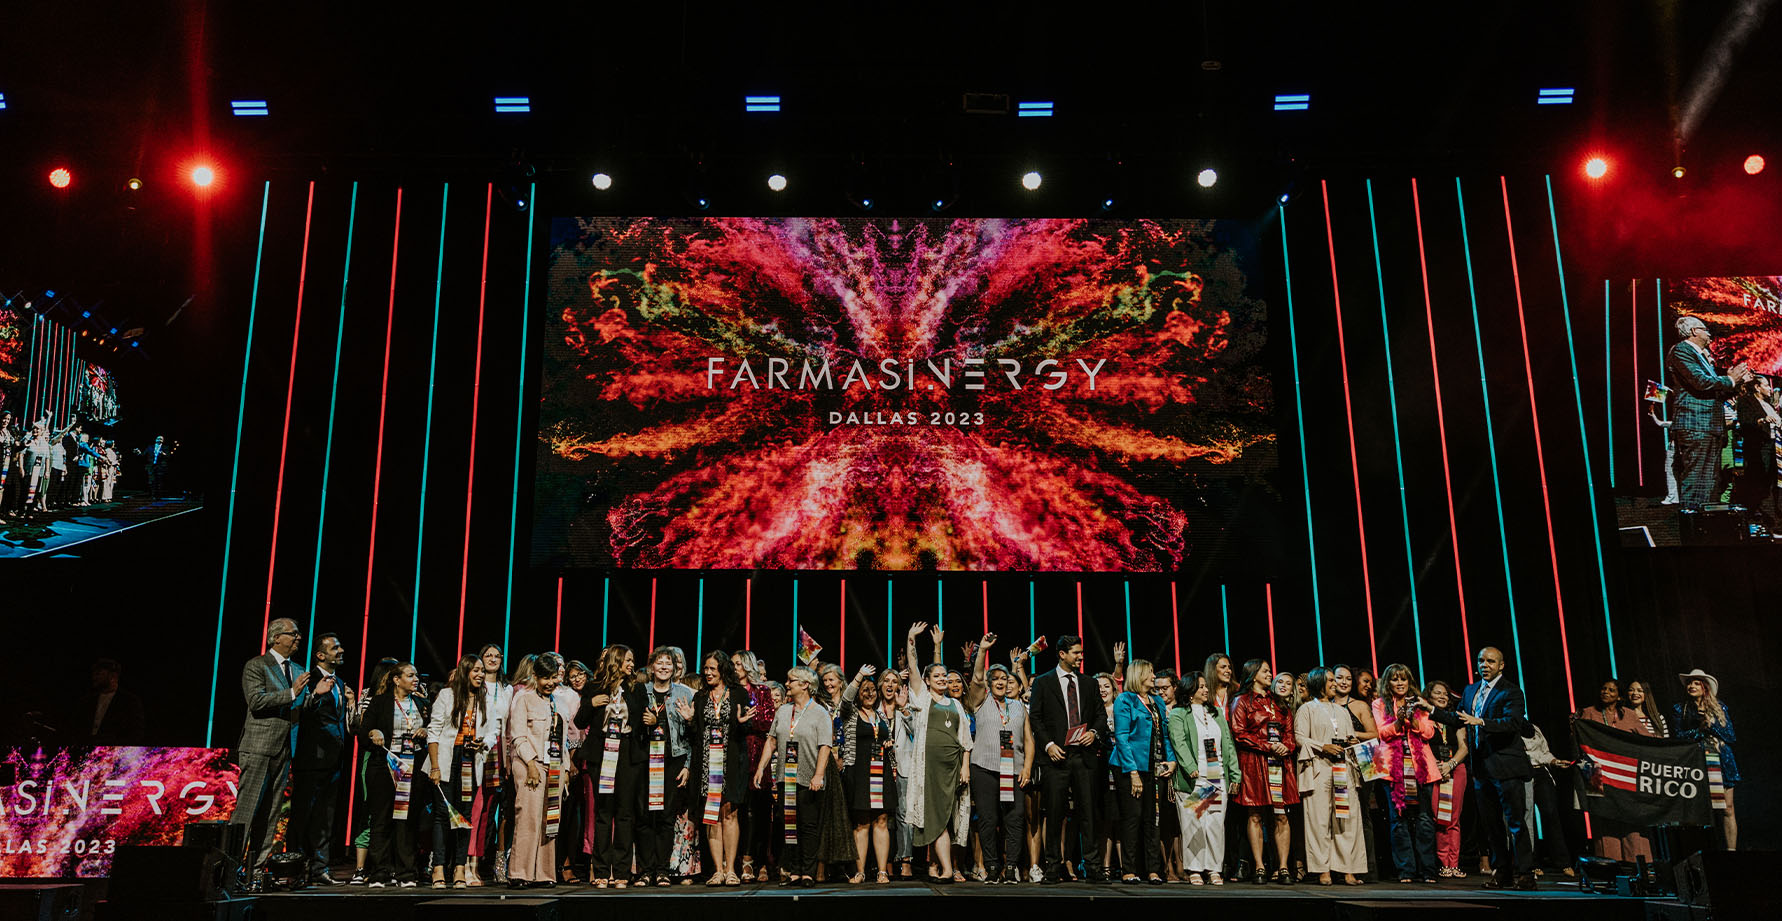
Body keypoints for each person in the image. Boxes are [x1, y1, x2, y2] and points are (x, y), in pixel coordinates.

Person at [1440, 646, 1536, 890]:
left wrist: (1481, 721)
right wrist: (1429, 711)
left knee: (1515, 822)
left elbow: (1514, 723)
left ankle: (1525, 873)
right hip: (1482, 768)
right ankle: (1501, 871)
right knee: (1491, 826)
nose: (1485, 665)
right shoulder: (1472, 690)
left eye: (1491, 661)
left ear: (1501, 665)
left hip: (1506, 766)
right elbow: (1457, 717)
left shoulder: (1512, 691)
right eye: (1481, 660)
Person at [232, 618, 313, 889]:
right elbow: (256, 702)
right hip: (258, 747)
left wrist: (315, 695)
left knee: (271, 815)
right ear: (275, 638)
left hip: (285, 749)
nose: (298, 638)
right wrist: (292, 692)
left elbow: (300, 702)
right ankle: (229, 871)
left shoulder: (299, 669)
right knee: (247, 811)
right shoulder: (257, 665)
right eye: (293, 633)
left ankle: (255, 871)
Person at [1028, 634, 1106, 883]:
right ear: (1062, 654)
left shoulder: (1089, 683)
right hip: (1056, 758)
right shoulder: (1043, 682)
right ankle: (1053, 866)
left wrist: (1093, 733)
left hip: (1083, 757)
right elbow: (1036, 718)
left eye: (1081, 653)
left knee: (1088, 813)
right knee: (1054, 813)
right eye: (1076, 653)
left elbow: (1101, 716)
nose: (1081, 657)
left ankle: (1092, 866)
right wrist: (1049, 745)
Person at [903, 621, 973, 883]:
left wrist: (965, 766)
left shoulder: (955, 703)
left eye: (945, 676)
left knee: (948, 818)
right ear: (928, 680)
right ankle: (945, 868)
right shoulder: (923, 698)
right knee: (938, 818)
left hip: (952, 769)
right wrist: (912, 639)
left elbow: (965, 740)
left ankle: (939, 866)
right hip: (929, 770)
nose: (943, 679)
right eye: (938, 676)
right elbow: (912, 666)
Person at [754, 665, 833, 886]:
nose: (786, 684)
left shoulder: (820, 713)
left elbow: (825, 746)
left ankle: (808, 872)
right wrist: (762, 767)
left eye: (791, 681)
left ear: (805, 685)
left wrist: (818, 775)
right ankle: (794, 871)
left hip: (809, 779)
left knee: (808, 826)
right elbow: (771, 740)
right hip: (785, 777)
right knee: (789, 824)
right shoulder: (783, 711)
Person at [965, 635, 1032, 885]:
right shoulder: (980, 702)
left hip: (1012, 770)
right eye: (996, 679)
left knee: (1014, 819)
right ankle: (992, 866)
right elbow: (977, 677)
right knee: (988, 819)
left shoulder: (1018, 707)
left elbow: (1029, 741)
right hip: (984, 768)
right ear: (989, 684)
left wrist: (1026, 767)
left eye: (1005, 678)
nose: (1000, 682)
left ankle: (1011, 868)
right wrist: (982, 650)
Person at [1667, 315, 1751, 509]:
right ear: (1694, 331)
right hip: (1696, 424)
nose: (1709, 334)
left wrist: (1737, 383)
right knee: (1697, 483)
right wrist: (1730, 380)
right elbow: (1700, 382)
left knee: (1710, 485)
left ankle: (1707, 530)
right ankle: (1694, 532)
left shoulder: (1703, 357)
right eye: (1705, 330)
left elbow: (1715, 390)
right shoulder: (1682, 350)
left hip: (1709, 426)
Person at [291, 634, 355, 885]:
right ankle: (295, 869)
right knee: (302, 815)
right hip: (311, 759)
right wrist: (316, 694)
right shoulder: (308, 679)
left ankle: (320, 869)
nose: (340, 650)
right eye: (334, 648)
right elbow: (300, 713)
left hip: (333, 760)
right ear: (320, 655)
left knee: (326, 818)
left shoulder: (339, 681)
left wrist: (350, 704)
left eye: (340, 646)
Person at [428, 654, 496, 888]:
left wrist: (482, 743)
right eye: (476, 670)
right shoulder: (447, 696)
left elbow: (492, 731)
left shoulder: (483, 699)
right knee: (442, 815)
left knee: (464, 816)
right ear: (465, 671)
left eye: (482, 671)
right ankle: (438, 869)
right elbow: (434, 732)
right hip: (447, 760)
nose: (480, 675)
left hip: (470, 759)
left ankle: (459, 869)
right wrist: (435, 766)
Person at [361, 661, 429, 888]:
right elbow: (363, 732)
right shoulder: (380, 703)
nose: (415, 679)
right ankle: (380, 872)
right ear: (396, 679)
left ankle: (406, 873)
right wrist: (374, 731)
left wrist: (426, 731)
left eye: (416, 675)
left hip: (412, 767)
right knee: (381, 819)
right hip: (385, 766)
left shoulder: (421, 703)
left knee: (407, 821)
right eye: (410, 675)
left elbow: (434, 730)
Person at [1230, 659, 1297, 885]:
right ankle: (1259, 866)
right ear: (1253, 673)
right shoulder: (1241, 701)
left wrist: (1285, 746)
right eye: (1266, 671)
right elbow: (1239, 733)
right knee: (1255, 814)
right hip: (1254, 764)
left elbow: (1289, 732)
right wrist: (1268, 745)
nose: (1270, 674)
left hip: (1279, 763)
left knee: (1281, 814)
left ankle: (1283, 867)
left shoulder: (1278, 702)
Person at [1169, 670, 1238, 886]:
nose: (1206, 689)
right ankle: (1195, 868)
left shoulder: (1216, 713)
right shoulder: (1179, 714)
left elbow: (1227, 745)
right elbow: (1178, 742)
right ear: (1190, 691)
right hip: (1194, 780)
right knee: (1194, 824)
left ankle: (1214, 869)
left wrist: (1235, 773)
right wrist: (1190, 767)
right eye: (1201, 686)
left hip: (1216, 777)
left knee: (1215, 825)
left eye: (1205, 686)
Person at [1295, 667, 1364, 886]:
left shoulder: (1342, 710)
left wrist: (1352, 741)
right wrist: (1322, 746)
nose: (1335, 684)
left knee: (1346, 819)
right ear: (1319, 683)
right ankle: (1322, 869)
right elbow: (1299, 738)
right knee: (1318, 820)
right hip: (1319, 768)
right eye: (1331, 681)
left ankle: (1347, 869)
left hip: (1343, 768)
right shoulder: (1307, 709)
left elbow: (1348, 734)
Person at [633, 646, 695, 886]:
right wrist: (645, 723)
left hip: (674, 760)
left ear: (675, 667)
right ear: (651, 667)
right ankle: (646, 870)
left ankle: (662, 871)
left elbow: (692, 735)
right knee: (646, 816)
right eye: (659, 662)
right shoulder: (641, 691)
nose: (664, 667)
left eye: (668, 663)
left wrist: (688, 765)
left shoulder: (684, 693)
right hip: (646, 761)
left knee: (667, 817)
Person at [1371, 664, 1440, 883]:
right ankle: (1406, 870)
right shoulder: (1379, 704)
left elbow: (1429, 732)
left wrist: (1414, 720)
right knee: (1398, 820)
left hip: (1422, 769)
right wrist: (1399, 722)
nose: (1400, 683)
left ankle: (1428, 870)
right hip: (1393, 770)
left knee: (1425, 820)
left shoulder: (1421, 703)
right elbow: (1381, 732)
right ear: (1388, 683)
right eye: (1395, 679)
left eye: (1404, 679)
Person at [507, 652, 570, 889]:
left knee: (549, 820)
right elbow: (518, 736)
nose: (551, 683)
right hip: (528, 765)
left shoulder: (558, 702)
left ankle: (544, 873)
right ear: (535, 676)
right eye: (546, 678)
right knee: (529, 819)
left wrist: (564, 769)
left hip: (554, 764)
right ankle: (519, 872)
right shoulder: (523, 698)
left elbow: (561, 739)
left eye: (554, 678)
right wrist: (531, 765)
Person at [577, 644, 637, 887]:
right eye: (628, 660)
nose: (632, 664)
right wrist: (591, 704)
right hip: (601, 755)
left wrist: (650, 719)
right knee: (603, 813)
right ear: (617, 661)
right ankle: (601, 870)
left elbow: (642, 720)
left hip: (626, 755)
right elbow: (580, 722)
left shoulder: (636, 688)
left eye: (633, 660)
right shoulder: (593, 687)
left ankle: (621, 872)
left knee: (624, 814)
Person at [1110, 658, 1175, 884]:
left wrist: (1172, 761)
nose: (1153, 676)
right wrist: (1133, 772)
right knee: (1132, 817)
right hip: (1130, 768)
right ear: (1139, 675)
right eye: (1150, 672)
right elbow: (1122, 737)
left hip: (1154, 767)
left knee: (1153, 818)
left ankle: (1153, 870)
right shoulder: (1124, 700)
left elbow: (1165, 735)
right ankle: (1129, 868)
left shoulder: (1157, 701)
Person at [692, 649, 753, 885]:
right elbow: (696, 733)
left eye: (712, 669)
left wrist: (742, 724)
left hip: (732, 762)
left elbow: (746, 728)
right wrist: (689, 720)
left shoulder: (738, 694)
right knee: (712, 816)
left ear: (723, 670)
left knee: (730, 813)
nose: (707, 673)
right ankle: (717, 870)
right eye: (705, 669)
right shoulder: (700, 697)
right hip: (707, 763)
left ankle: (731, 869)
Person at [1675, 668, 1738, 850]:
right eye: (1690, 683)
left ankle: (1731, 852)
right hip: (1697, 760)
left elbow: (1731, 735)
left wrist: (1712, 726)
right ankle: (1703, 850)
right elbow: (1679, 736)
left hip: (1721, 759)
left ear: (1705, 687)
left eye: (1696, 683)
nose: (1692, 686)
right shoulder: (1681, 709)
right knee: (1699, 809)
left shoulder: (1719, 707)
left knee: (1728, 808)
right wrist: (1700, 729)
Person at [731, 651, 777, 883]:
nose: (735, 667)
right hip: (734, 752)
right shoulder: (730, 690)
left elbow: (768, 721)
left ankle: (759, 861)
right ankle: (739, 860)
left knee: (759, 811)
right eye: (733, 664)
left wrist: (747, 720)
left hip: (758, 754)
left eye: (739, 664)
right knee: (737, 811)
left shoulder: (762, 691)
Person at [1425, 680, 1471, 878]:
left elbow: (1464, 747)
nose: (1443, 696)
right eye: (1438, 693)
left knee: (1454, 817)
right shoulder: (1424, 717)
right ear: (1429, 696)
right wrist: (1436, 765)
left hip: (1455, 769)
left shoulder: (1456, 719)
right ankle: (1443, 862)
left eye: (1445, 693)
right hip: (1434, 769)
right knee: (1439, 818)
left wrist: (1450, 764)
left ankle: (1454, 863)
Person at [1733, 374, 1782, 527]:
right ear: (1757, 387)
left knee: (1776, 481)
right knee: (1760, 480)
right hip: (1760, 447)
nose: (1770, 388)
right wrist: (1761, 420)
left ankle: (1776, 514)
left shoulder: (1768, 403)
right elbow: (1746, 422)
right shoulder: (1746, 401)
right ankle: (1757, 513)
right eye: (1766, 385)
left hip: (1775, 446)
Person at [70, 657, 145, 745]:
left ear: (113, 676)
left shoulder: (130, 702)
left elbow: (135, 734)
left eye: (99, 673)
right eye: (94, 674)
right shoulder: (86, 701)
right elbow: (75, 728)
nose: (94, 677)